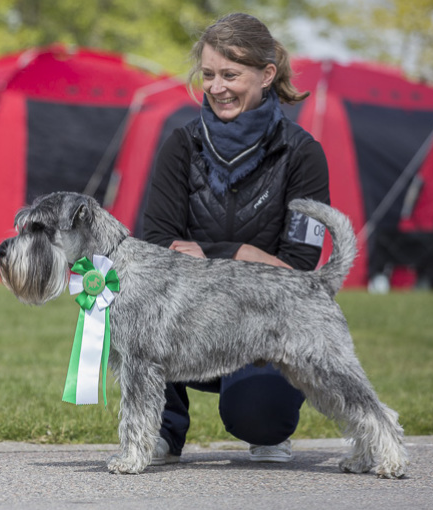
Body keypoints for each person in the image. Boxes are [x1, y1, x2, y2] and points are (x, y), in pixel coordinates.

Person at [142, 13, 331, 465]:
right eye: (208, 75)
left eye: (230, 74)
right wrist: (248, 259)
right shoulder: (180, 145)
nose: (216, 87)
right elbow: (155, 248)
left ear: (267, 75)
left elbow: (299, 275)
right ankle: (162, 430)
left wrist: (222, 253)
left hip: (268, 326)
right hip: (190, 320)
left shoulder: (304, 154)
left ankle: (267, 427)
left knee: (260, 420)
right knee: (131, 296)